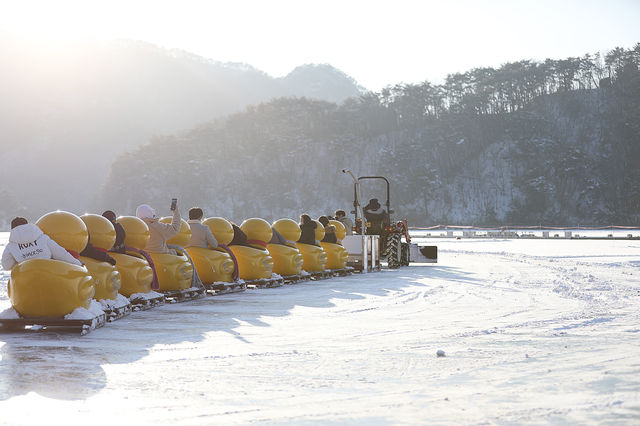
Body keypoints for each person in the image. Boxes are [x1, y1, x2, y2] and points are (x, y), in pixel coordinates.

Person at [1, 217, 83, 270]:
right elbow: (61, 254)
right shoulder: (43, 238)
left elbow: (6, 265)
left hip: (26, 276)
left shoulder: (11, 246)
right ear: (28, 225)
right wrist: (78, 264)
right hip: (47, 272)